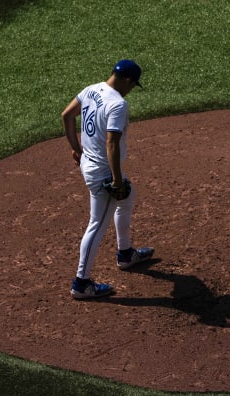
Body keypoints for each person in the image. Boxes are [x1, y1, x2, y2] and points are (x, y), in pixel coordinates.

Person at [61, 59, 154, 299]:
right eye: (133, 84)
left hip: (89, 163)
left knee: (128, 197)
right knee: (97, 224)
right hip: (102, 172)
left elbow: (66, 115)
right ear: (126, 80)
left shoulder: (91, 89)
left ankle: (125, 253)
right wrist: (116, 180)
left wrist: (76, 148)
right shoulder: (118, 104)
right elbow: (111, 142)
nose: (132, 88)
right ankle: (81, 283)